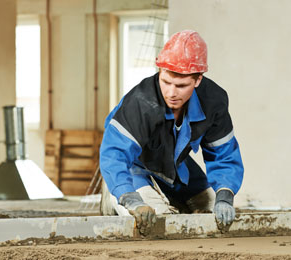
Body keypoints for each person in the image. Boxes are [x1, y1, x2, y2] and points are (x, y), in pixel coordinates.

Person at [99, 30, 244, 235]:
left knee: (213, 211)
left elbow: (224, 154)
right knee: (155, 222)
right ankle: (114, 197)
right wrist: (129, 198)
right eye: (166, 82)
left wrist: (225, 196)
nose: (171, 93)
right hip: (134, 167)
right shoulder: (140, 102)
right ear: (160, 71)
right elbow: (114, 155)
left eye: (181, 85)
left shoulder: (213, 102)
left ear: (198, 80)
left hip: (175, 167)